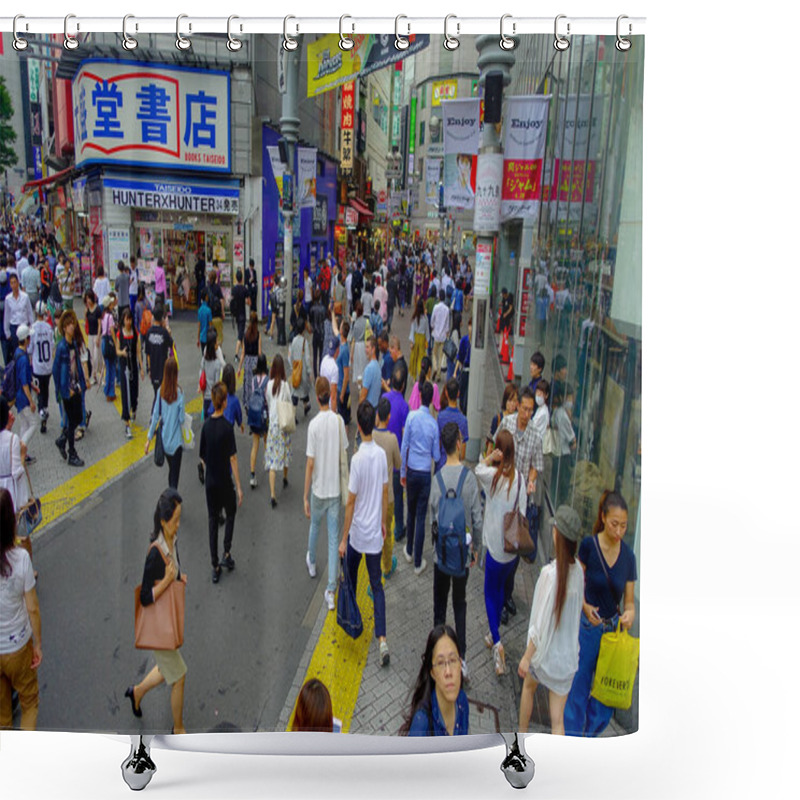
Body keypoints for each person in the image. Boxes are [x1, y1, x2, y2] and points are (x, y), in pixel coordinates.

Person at [564, 491, 637, 737]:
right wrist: (584, 605)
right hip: (588, 629)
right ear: (604, 518)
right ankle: (573, 739)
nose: (619, 531)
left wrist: (629, 614)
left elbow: (629, 601)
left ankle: (590, 737)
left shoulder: (628, 557)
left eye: (624, 526)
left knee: (606, 696)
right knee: (578, 688)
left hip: (612, 633)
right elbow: (575, 583)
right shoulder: (589, 546)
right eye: (615, 524)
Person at [124, 489, 188, 733]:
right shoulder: (154, 553)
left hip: (167, 623)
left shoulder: (172, 538)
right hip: (160, 629)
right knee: (179, 675)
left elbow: (174, 567)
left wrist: (179, 577)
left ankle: (136, 692)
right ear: (163, 521)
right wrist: (167, 581)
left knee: (165, 669)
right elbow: (143, 597)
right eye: (175, 520)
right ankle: (178, 729)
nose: (179, 525)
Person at [517, 505, 584, 735]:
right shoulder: (579, 574)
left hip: (544, 658)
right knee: (557, 721)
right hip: (566, 662)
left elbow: (540, 624)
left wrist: (527, 657)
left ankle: (521, 739)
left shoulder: (549, 574)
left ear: (557, 535)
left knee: (528, 689)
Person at [428, 423, 483, 679]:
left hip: (441, 556)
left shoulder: (436, 479)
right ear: (459, 444)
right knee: (459, 604)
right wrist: (476, 550)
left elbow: (433, 519)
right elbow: (477, 520)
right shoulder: (470, 479)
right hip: (461, 556)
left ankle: (438, 657)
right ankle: (461, 661)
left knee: (440, 604)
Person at [338, 400, 390, 667]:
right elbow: (384, 492)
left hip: (358, 534)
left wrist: (344, 537)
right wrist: (382, 522)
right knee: (377, 585)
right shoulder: (381, 455)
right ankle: (382, 640)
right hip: (374, 537)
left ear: (359, 426)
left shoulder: (357, 460)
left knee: (350, 576)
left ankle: (351, 619)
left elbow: (350, 501)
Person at [475, 430, 527, 676]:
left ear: (499, 451)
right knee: (500, 592)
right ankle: (491, 632)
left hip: (494, 548)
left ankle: (497, 644)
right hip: (512, 550)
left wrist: (488, 456)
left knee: (489, 593)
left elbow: (477, 469)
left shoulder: (494, 477)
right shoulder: (519, 479)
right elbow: (523, 511)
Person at [494, 387, 544, 618]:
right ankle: (499, 594)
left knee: (514, 548)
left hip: (520, 497)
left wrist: (531, 480)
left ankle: (506, 595)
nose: (526, 414)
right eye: (524, 409)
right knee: (500, 542)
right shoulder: (507, 423)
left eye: (530, 410)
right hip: (504, 491)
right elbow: (495, 449)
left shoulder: (535, 434)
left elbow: (536, 465)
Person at [304, 376, 348, 613]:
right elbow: (343, 453)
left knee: (314, 527)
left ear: (316, 396)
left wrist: (304, 495)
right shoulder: (339, 422)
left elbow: (310, 463)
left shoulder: (313, 426)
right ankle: (331, 590)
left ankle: (311, 560)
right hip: (335, 491)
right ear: (329, 396)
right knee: (333, 538)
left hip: (318, 489)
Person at [0, 488, 43, 730]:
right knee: (29, 703)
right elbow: (33, 609)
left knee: (2, 718)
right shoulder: (21, 560)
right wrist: (38, 644)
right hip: (18, 645)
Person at [199, 382, 243, 584]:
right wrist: (239, 487)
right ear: (224, 402)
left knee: (212, 520)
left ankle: (214, 564)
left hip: (210, 482)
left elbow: (203, 456)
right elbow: (232, 459)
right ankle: (226, 552)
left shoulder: (206, 426)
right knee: (231, 512)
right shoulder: (227, 428)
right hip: (225, 481)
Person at [400, 381, 441, 576]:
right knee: (421, 517)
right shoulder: (433, 424)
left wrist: (402, 472)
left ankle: (408, 550)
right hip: (425, 473)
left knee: (411, 511)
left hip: (411, 470)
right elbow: (437, 455)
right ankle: (418, 562)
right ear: (432, 399)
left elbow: (404, 446)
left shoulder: (411, 417)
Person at [400, 625, 469, 737]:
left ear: (460, 664)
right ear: (432, 673)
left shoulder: (462, 702)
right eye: (441, 663)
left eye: (452, 660)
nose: (448, 672)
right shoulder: (422, 724)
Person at [145, 357, 186, 490]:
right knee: (175, 476)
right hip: (176, 443)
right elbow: (181, 419)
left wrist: (148, 439)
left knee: (171, 472)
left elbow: (155, 416)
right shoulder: (179, 394)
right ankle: (172, 501)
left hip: (164, 442)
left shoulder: (160, 392)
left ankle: (171, 495)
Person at [373, 397, 401, 581]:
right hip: (388, 496)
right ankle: (387, 566)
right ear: (389, 417)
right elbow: (398, 463)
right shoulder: (392, 439)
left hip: (373, 496)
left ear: (377, 415)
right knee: (387, 533)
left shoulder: (372, 436)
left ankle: (374, 569)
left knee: (375, 533)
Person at [53, 310, 86, 467]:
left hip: (76, 387)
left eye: (73, 323)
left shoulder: (73, 344)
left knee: (78, 418)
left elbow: (76, 365)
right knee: (73, 421)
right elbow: (56, 370)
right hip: (68, 390)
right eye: (68, 325)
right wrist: (63, 390)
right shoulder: (61, 348)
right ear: (64, 328)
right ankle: (72, 452)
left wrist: (82, 383)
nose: (72, 326)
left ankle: (62, 440)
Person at [382, 365, 409, 544]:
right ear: (404, 384)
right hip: (396, 457)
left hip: (382, 454)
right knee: (398, 496)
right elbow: (405, 434)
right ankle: (399, 528)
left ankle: (381, 523)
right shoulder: (405, 407)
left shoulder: (384, 398)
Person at [265, 354, 292, 507]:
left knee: (272, 461)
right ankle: (285, 477)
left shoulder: (269, 385)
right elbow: (288, 401)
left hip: (272, 426)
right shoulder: (285, 386)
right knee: (285, 452)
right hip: (283, 425)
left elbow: (268, 401)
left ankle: (273, 494)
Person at [115, 308, 142, 439]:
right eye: (127, 319)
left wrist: (142, 368)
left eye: (130, 319)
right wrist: (122, 353)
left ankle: (134, 408)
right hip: (124, 369)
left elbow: (138, 351)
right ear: (123, 320)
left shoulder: (135, 332)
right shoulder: (120, 333)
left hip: (134, 368)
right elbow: (117, 350)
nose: (128, 322)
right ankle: (127, 424)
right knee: (125, 395)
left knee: (134, 394)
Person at [11, 324, 36, 460]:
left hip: (18, 397)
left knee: (24, 425)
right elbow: (24, 383)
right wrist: (31, 401)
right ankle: (22, 447)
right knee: (33, 424)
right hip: (23, 397)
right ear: (26, 339)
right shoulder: (24, 359)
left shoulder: (17, 353)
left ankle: (22, 453)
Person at [551, 383, 577, 508]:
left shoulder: (556, 412)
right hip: (564, 455)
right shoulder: (563, 415)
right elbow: (572, 441)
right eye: (569, 398)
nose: (571, 401)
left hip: (557, 453)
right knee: (563, 487)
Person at [30, 302, 54, 434]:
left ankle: (42, 411)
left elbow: (30, 349)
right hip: (48, 367)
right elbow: (51, 345)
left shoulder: (32, 329)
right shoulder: (49, 328)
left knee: (39, 392)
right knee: (46, 391)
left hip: (38, 368)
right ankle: (45, 408)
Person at [246, 353, 269, 489]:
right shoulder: (267, 379)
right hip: (264, 415)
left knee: (255, 445)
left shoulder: (254, 380)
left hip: (254, 414)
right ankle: (267, 461)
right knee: (266, 439)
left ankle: (252, 475)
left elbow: (250, 395)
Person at [144, 304, 174, 402]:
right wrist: (168, 330)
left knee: (156, 392)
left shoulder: (149, 332)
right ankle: (157, 413)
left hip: (153, 368)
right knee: (162, 394)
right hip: (163, 368)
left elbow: (147, 353)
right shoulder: (164, 333)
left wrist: (149, 368)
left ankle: (156, 413)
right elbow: (172, 346)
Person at [3, 271, 34, 358]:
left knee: (26, 351)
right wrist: (7, 332)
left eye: (15, 282)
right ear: (10, 285)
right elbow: (7, 316)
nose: (14, 285)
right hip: (14, 327)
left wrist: (31, 327)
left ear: (18, 282)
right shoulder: (8, 299)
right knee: (16, 352)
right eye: (12, 283)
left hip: (24, 325)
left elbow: (29, 313)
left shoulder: (25, 297)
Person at [199, 329, 225, 422]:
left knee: (207, 422)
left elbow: (201, 377)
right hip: (213, 399)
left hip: (206, 397)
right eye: (216, 341)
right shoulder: (217, 363)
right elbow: (217, 383)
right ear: (214, 345)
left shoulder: (204, 360)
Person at [238, 312, 262, 413]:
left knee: (247, 384)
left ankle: (247, 405)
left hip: (247, 361)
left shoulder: (245, 334)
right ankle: (255, 404)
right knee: (255, 384)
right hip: (255, 361)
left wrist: (239, 367)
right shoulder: (258, 334)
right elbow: (259, 352)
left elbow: (243, 352)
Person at [487, 382, 518, 455]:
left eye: (515, 401)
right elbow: (490, 443)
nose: (512, 404)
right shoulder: (498, 418)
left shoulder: (518, 420)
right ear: (505, 400)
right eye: (510, 400)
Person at [289, 320, 312, 419]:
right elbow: (307, 358)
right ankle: (305, 406)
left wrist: (292, 367)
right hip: (302, 371)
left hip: (296, 369)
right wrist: (309, 371)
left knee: (295, 390)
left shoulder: (293, 341)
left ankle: (294, 413)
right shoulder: (304, 342)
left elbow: (290, 356)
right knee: (304, 389)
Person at [430, 290, 451, 378]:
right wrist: (447, 333)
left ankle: (434, 367)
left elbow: (432, 320)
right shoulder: (447, 309)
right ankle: (438, 374)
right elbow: (447, 323)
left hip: (436, 334)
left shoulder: (435, 307)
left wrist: (432, 326)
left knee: (434, 354)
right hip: (443, 335)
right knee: (441, 355)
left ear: (439, 297)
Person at [408, 298, 430, 381]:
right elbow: (427, 330)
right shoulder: (425, 319)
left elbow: (412, 330)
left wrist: (411, 342)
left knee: (414, 358)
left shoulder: (414, 318)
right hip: (422, 339)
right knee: (421, 358)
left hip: (416, 338)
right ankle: (421, 374)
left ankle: (414, 376)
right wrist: (427, 340)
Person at [230, 270, 248, 365]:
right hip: (242, 314)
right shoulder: (244, 289)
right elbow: (249, 302)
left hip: (236, 314)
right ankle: (236, 354)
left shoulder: (234, 289)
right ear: (242, 278)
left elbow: (232, 300)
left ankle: (244, 351)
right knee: (240, 336)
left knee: (240, 332)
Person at [308, 289, 327, 379]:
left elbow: (310, 321)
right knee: (321, 355)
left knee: (315, 355)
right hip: (322, 333)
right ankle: (321, 371)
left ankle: (315, 375)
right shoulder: (323, 309)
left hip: (315, 333)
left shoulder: (312, 309)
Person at [359, 336, 382, 409]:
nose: (365, 350)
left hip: (368, 409)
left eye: (367, 347)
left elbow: (363, 396)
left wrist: (360, 411)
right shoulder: (378, 365)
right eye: (365, 347)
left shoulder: (369, 369)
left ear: (373, 349)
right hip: (375, 406)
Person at [336, 320, 351, 425]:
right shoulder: (340, 341)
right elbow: (334, 328)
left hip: (343, 390)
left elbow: (346, 375)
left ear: (342, 331)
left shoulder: (345, 350)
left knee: (343, 419)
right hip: (339, 386)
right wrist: (332, 312)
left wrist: (341, 394)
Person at [221, 364, 244, 434]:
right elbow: (239, 416)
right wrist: (241, 425)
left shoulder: (218, 395)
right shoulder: (234, 400)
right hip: (229, 431)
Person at [319, 338, 340, 414]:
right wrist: (334, 413)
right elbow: (333, 395)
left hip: (322, 402)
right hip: (330, 406)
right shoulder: (334, 368)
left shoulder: (324, 360)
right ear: (338, 350)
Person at [455, 318, 471, 415]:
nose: (471, 328)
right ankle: (463, 408)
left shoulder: (475, 343)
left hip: (472, 372)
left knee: (467, 395)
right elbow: (459, 357)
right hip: (464, 371)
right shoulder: (464, 340)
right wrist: (455, 372)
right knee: (462, 393)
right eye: (470, 325)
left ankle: (465, 411)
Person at [207, 271, 225, 348]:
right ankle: (218, 351)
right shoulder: (218, 288)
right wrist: (223, 312)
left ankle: (211, 351)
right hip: (217, 314)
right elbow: (221, 300)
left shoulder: (207, 288)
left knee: (210, 334)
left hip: (209, 315)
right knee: (219, 335)